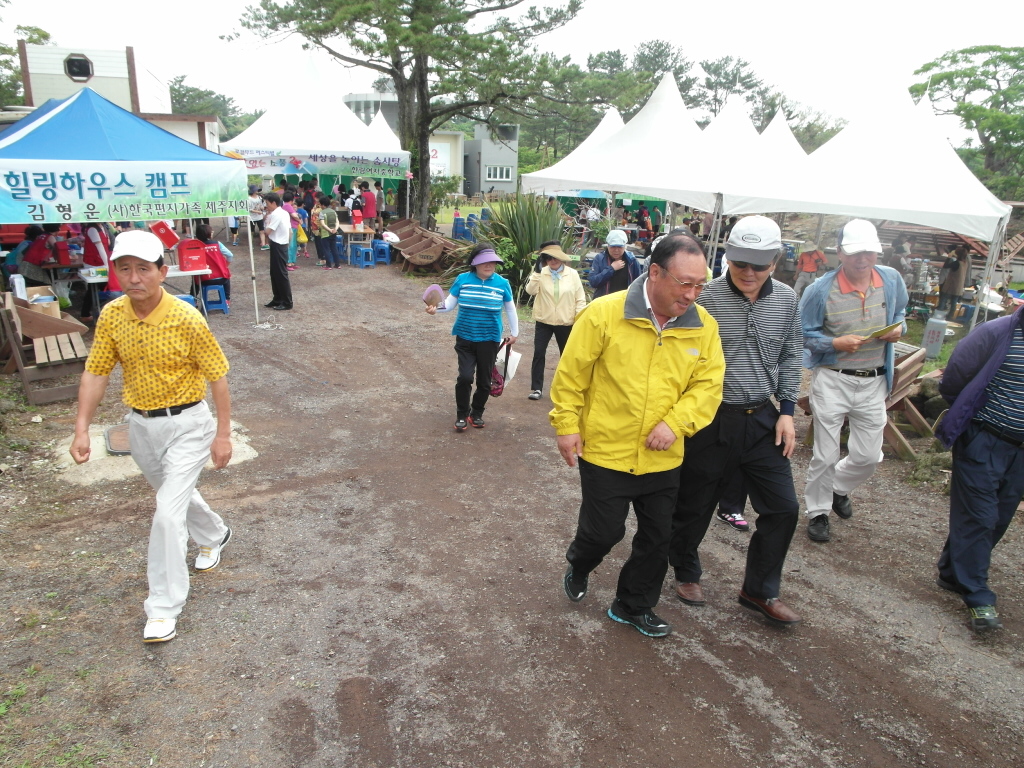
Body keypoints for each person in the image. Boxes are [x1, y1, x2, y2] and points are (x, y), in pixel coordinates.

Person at [553, 233, 724, 638]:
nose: (693, 294)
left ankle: (632, 605)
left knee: (658, 537)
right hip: (606, 449)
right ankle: (580, 562)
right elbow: (571, 375)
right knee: (604, 531)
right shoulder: (604, 314)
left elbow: (708, 386)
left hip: (663, 455)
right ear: (656, 272)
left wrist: (675, 424)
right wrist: (566, 426)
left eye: (701, 285)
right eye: (685, 283)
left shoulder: (704, 326)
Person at [68, 230, 233, 644]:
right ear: (115, 273)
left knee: (166, 514)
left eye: (144, 268)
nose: (134, 277)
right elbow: (96, 371)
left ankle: (163, 606)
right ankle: (215, 534)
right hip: (141, 427)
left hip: (189, 425)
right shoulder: (112, 315)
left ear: (162, 272)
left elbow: (218, 376)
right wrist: (82, 428)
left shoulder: (186, 317)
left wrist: (223, 434)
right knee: (172, 499)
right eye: (125, 269)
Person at [668, 217, 803, 625]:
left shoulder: (786, 300)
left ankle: (759, 590)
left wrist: (787, 412)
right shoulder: (703, 298)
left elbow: (792, 354)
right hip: (710, 418)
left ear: (775, 262)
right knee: (695, 503)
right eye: (739, 262)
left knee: (783, 507)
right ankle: (686, 570)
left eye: (758, 265)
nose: (747, 272)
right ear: (727, 257)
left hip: (763, 418)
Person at [800, 219, 908, 543]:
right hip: (834, 379)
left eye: (869, 252)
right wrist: (835, 343)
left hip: (874, 380)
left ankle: (837, 487)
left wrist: (898, 328)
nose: (862, 259)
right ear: (840, 253)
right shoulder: (820, 289)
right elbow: (804, 333)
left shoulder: (891, 279)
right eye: (855, 252)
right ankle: (817, 512)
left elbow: (901, 311)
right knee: (825, 453)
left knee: (869, 456)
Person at [933, 303, 1024, 632]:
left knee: (999, 517)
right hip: (983, 439)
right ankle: (978, 597)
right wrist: (970, 415)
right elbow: (954, 377)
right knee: (980, 517)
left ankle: (951, 571)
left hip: (1020, 451)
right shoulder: (997, 333)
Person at [425, 242, 519, 432]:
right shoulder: (463, 279)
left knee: (484, 382)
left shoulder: (502, 283)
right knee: (465, 377)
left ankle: (476, 413)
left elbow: (510, 308)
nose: (489, 266)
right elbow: (449, 304)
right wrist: (435, 309)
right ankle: (461, 414)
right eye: (485, 262)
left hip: (490, 339)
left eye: (492, 262)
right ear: (474, 263)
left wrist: (514, 333)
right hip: (465, 338)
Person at [524, 241, 587, 401]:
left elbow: (580, 299)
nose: (553, 261)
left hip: (566, 322)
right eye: (548, 258)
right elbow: (530, 291)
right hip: (544, 320)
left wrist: (579, 318)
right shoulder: (541, 273)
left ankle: (567, 388)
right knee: (539, 353)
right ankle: (536, 388)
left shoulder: (572, 274)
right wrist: (537, 273)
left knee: (567, 355)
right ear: (544, 259)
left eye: (556, 257)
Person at [262, 192, 293, 311]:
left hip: (279, 244)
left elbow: (267, 231)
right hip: (280, 244)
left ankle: (286, 301)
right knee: (274, 273)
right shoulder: (283, 212)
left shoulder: (276, 214)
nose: (266, 205)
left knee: (280, 274)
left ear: (273, 203)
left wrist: (266, 220)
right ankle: (278, 298)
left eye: (267, 203)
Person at [588, 230, 641, 298]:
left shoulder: (632, 261)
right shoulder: (600, 258)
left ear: (625, 246)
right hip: (604, 302)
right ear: (608, 246)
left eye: (619, 247)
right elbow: (593, 282)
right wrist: (611, 269)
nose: (616, 250)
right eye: (613, 247)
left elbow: (639, 285)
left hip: (624, 303)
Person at [194, 223, 232, 302]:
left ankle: (193, 300)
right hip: (221, 278)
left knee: (195, 280)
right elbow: (230, 255)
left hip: (204, 279)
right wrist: (226, 265)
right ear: (208, 234)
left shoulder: (196, 246)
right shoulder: (217, 244)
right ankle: (227, 299)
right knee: (227, 278)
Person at [937, 245, 970, 313]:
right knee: (954, 303)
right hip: (959, 286)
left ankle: (939, 313)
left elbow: (946, 266)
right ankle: (951, 316)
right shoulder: (965, 263)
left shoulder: (957, 263)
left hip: (951, 285)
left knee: (943, 299)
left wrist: (948, 258)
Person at [316, 194, 341, 269]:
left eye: (320, 204)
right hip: (334, 233)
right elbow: (337, 222)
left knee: (326, 249)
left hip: (325, 234)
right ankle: (337, 264)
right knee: (334, 249)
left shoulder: (322, 213)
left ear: (323, 205)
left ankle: (328, 265)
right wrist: (335, 229)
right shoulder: (333, 212)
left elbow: (323, 224)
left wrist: (329, 230)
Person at [282, 191, 302, 271]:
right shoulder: (288, 206)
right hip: (291, 227)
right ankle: (289, 262)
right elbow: (294, 215)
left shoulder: (285, 206)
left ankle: (292, 262)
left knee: (293, 245)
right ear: (292, 199)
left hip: (293, 227)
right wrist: (299, 220)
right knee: (291, 245)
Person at [247, 185, 268, 250]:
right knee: (251, 231)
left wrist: (262, 208)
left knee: (262, 230)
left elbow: (262, 206)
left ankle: (263, 244)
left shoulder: (260, 198)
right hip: (252, 218)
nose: (257, 191)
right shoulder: (249, 199)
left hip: (259, 217)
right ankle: (251, 244)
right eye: (256, 190)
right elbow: (249, 209)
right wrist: (257, 211)